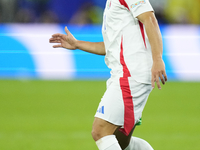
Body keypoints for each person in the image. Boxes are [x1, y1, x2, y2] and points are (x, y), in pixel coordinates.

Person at [49, 0, 167, 149]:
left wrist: (157, 59)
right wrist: (77, 44)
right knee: (122, 142)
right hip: (123, 74)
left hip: (131, 74)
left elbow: (150, 19)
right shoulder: (111, 3)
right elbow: (110, 46)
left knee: (100, 131)